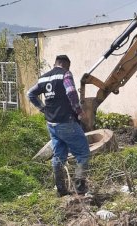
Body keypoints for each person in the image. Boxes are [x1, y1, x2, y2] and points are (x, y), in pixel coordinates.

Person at [27, 55, 90, 197]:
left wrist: (42, 108)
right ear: (67, 65)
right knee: (83, 153)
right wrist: (79, 111)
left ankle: (60, 189)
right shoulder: (65, 74)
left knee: (59, 156)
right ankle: (80, 188)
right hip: (66, 122)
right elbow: (71, 92)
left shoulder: (43, 78)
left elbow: (30, 93)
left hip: (52, 124)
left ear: (55, 64)